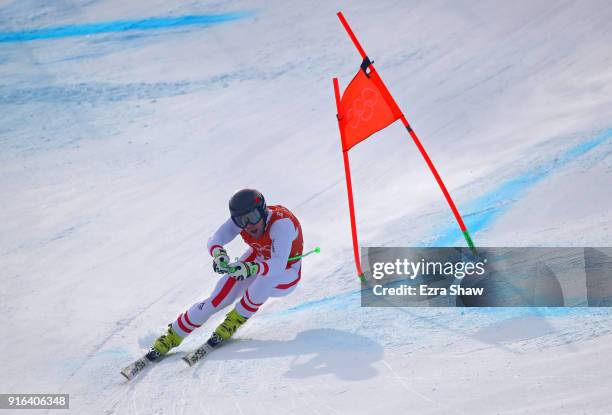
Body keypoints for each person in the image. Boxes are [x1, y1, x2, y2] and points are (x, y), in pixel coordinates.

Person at [147, 188, 304, 360]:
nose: (249, 225)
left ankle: (235, 318)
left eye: (252, 217)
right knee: (217, 299)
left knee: (265, 278)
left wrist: (251, 268)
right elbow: (215, 238)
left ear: (263, 211)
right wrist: (218, 254)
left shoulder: (281, 224)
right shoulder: (245, 222)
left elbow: (278, 265)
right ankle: (173, 335)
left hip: (287, 273)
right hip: (258, 260)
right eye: (241, 221)